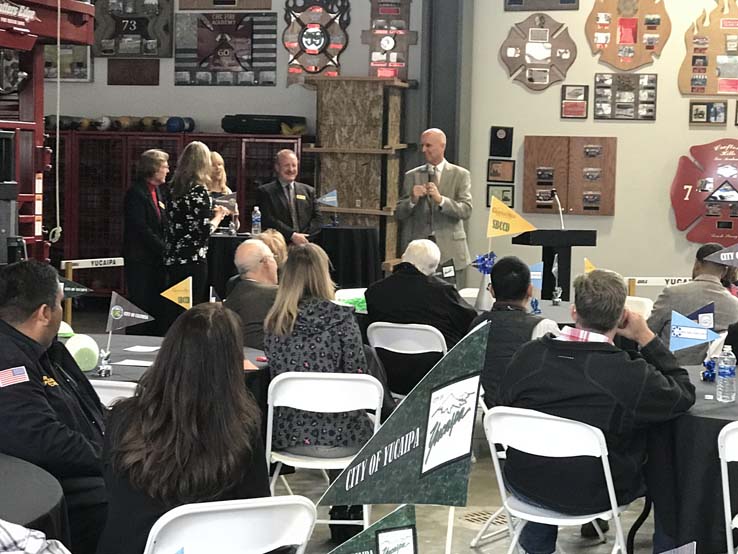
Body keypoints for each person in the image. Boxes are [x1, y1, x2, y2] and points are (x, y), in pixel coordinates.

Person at [496, 269, 696, 554]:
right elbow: (683, 394)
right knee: (664, 457)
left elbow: (505, 403)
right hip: (597, 493)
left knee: (542, 458)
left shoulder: (527, 356)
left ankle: (535, 548)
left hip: (524, 484)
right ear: (622, 317)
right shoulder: (629, 374)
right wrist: (646, 337)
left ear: (574, 311)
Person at [96, 303, 269, 554]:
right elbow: (257, 512)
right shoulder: (243, 428)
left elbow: (113, 495)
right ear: (232, 364)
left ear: (169, 352)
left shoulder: (123, 418)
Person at [0, 260, 107, 554]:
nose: (63, 312)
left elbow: (91, 410)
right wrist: (114, 459)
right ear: (45, 313)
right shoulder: (8, 361)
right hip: (60, 488)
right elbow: (38, 438)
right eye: (60, 304)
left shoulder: (49, 351)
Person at [263, 243, 373, 458]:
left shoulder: (274, 323)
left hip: (287, 436)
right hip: (345, 437)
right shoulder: (343, 319)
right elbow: (358, 376)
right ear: (323, 274)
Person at [365, 239, 476, 394]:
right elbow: (471, 324)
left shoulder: (374, 292)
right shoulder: (444, 293)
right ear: (434, 267)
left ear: (404, 257)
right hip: (436, 378)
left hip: (390, 377)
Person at [471, 256, 559, 408]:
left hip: (484, 414)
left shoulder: (476, 325)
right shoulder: (545, 328)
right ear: (530, 290)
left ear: (491, 291)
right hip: (529, 417)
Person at [395, 128, 472, 286]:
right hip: (420, 254)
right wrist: (412, 199)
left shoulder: (460, 175)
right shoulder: (412, 176)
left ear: (442, 146)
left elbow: (466, 210)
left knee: (450, 297)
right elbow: (399, 213)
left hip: (449, 250)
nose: (424, 150)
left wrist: (441, 200)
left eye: (428, 145)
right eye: (423, 145)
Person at [648, 243, 738, 364]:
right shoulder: (734, 305)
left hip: (670, 374)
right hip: (712, 377)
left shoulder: (672, 293)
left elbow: (648, 330)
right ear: (725, 270)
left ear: (697, 264)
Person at [164, 141, 229, 305]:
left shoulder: (172, 189)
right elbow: (204, 230)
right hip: (193, 260)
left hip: (173, 257)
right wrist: (219, 216)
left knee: (175, 305)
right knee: (191, 306)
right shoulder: (200, 192)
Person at [122, 149, 169, 336]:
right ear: (154, 168)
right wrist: (163, 247)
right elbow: (140, 228)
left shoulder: (157, 191)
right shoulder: (136, 193)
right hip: (140, 259)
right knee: (140, 302)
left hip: (156, 260)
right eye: (165, 166)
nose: (168, 170)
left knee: (156, 302)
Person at [256, 149, 322, 246]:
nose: (291, 169)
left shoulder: (309, 191)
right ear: (277, 167)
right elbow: (268, 219)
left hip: (306, 244)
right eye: (286, 165)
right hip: (279, 245)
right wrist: (292, 235)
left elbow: (318, 218)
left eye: (294, 165)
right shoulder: (265, 192)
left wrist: (304, 237)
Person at [225, 239, 279, 350]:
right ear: (266, 262)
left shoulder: (234, 290)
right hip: (265, 361)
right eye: (274, 257)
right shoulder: (276, 294)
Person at [208, 151, 240, 232]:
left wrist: (235, 215)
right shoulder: (203, 190)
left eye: (219, 164)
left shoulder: (227, 191)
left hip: (225, 236)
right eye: (213, 165)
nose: (217, 168)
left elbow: (235, 227)